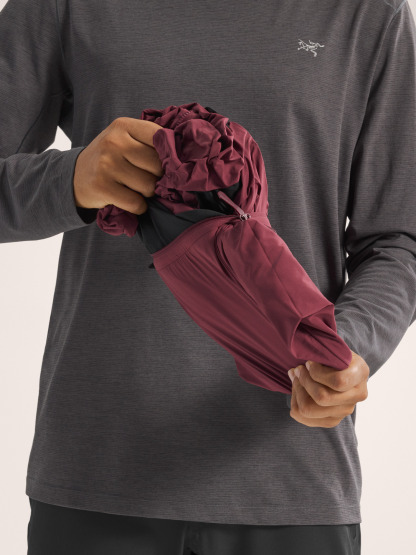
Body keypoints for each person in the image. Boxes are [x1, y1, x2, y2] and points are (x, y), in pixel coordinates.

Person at [1, 0, 415, 553]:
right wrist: (71, 178)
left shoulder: (371, 14)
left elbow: (398, 239)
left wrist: (349, 346)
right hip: (98, 473)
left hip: (289, 478)